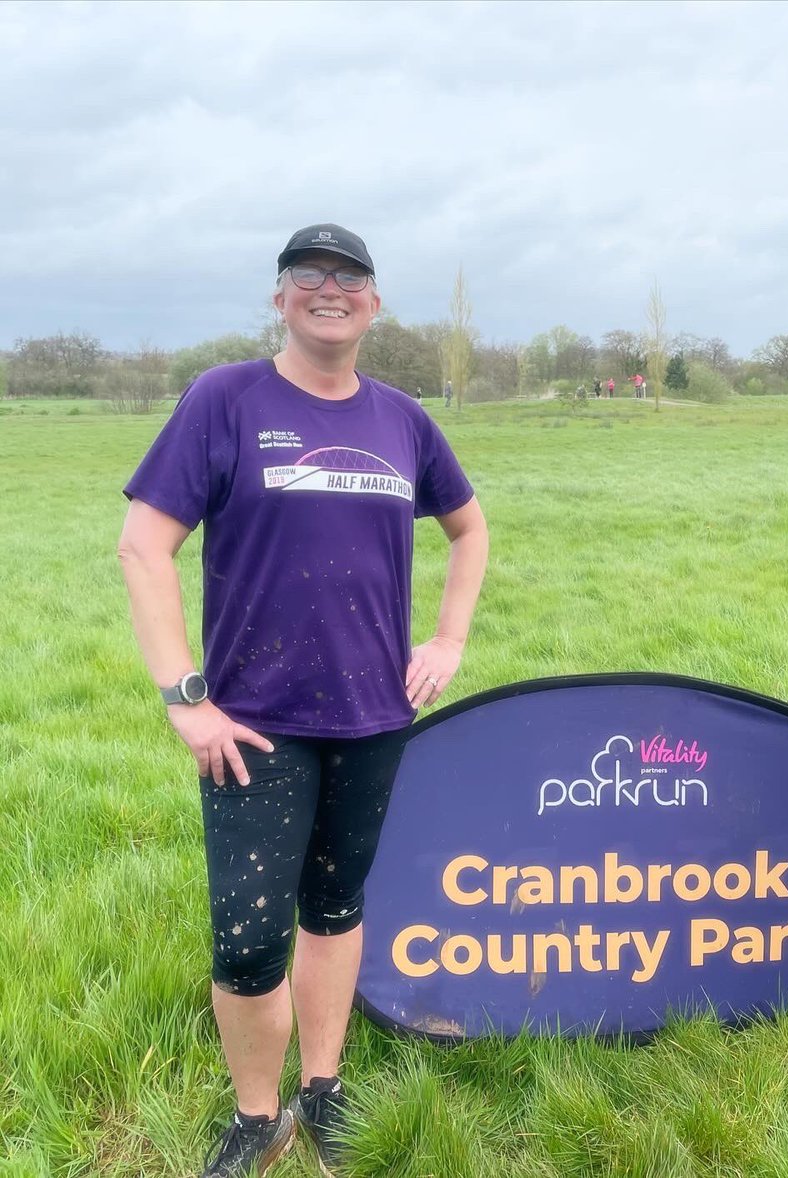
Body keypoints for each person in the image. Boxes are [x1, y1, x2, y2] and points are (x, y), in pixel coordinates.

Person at [118, 223, 488, 1177]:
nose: (332, 289)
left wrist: (445, 639)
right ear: (280, 297)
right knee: (248, 940)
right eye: (309, 275)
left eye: (350, 277)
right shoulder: (225, 399)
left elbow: (469, 528)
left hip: (373, 716)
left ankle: (321, 1090)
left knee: (334, 906)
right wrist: (185, 698)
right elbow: (142, 545)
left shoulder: (403, 419)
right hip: (252, 727)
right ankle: (257, 1115)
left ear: (375, 301)